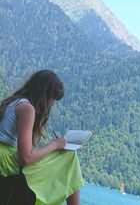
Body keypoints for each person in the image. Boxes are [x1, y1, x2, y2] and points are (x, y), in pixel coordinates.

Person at [0, 70, 84, 205]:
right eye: (53, 98)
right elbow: (25, 157)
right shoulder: (27, 109)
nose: (53, 103)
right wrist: (55, 145)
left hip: (4, 159)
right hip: (7, 164)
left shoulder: (16, 102)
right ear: (44, 94)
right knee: (69, 157)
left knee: (68, 158)